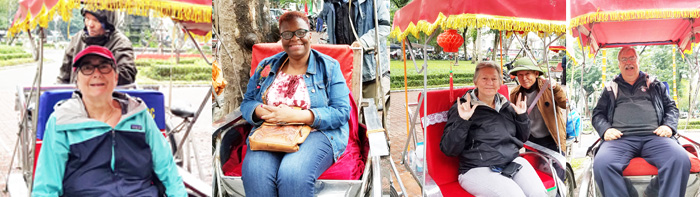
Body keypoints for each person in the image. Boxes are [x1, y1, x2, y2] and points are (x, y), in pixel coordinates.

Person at [32, 46, 186, 196]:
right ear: (77, 80)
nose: (97, 73)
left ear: (116, 77)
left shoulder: (138, 114)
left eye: (104, 67)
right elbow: (47, 186)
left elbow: (168, 169)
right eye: (87, 68)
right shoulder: (61, 121)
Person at [239, 11, 350, 197]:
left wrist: (295, 116)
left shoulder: (329, 67)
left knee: (292, 174)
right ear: (281, 38)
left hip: (316, 133)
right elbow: (248, 102)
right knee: (255, 174)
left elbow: (341, 112)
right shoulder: (266, 67)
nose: (294, 39)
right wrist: (260, 111)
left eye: (300, 32)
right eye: (287, 34)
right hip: (270, 132)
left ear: (309, 34)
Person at [592, 46, 690, 197]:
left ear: (638, 61)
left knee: (679, 159)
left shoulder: (655, 85)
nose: (628, 62)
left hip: (655, 137)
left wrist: (669, 126)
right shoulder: (611, 88)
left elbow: (671, 108)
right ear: (619, 64)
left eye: (632, 58)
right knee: (602, 164)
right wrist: (605, 130)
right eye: (624, 59)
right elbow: (598, 114)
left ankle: (652, 192)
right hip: (620, 139)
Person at [441, 62, 547, 197]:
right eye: (484, 78)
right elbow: (449, 149)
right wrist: (463, 121)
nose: (489, 83)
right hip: (477, 167)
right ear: (475, 81)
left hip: (511, 161)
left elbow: (522, 138)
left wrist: (521, 116)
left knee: (539, 193)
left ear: (500, 82)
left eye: (494, 79)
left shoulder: (507, 106)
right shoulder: (463, 107)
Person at [57, 7, 137, 86]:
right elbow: (64, 76)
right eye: (87, 18)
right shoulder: (77, 39)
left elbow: (127, 75)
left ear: (107, 24)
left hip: (108, 96)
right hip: (76, 95)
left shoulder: (120, 43)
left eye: (96, 20)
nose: (90, 25)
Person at [509, 59, 567, 153]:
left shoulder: (548, 88)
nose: (524, 78)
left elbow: (564, 104)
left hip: (552, 139)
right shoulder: (515, 94)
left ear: (536, 74)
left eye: (527, 73)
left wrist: (556, 89)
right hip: (531, 142)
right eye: (520, 75)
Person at [351, 0, 391, 113]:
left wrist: (362, 43)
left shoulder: (376, 2)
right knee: (349, 112)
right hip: (344, 66)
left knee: (369, 112)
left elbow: (384, 29)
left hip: (369, 67)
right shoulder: (335, 3)